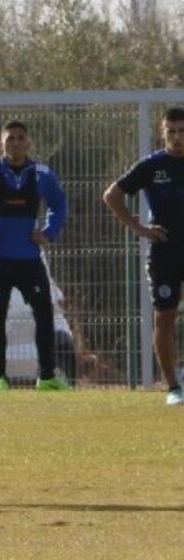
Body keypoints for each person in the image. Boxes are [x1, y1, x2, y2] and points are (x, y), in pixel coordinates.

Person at [0, 120, 70, 392]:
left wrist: (49, 232)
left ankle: (47, 376)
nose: (15, 143)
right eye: (10, 139)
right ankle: (1, 378)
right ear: (1, 143)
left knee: (44, 313)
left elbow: (60, 203)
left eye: (20, 138)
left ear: (28, 142)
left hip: (29, 259)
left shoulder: (41, 174)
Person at [103, 107, 184, 405]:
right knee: (164, 318)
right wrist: (138, 226)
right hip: (164, 253)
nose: (177, 138)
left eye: (182, 131)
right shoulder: (152, 166)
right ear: (163, 133)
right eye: (172, 131)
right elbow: (112, 195)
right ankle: (173, 388)